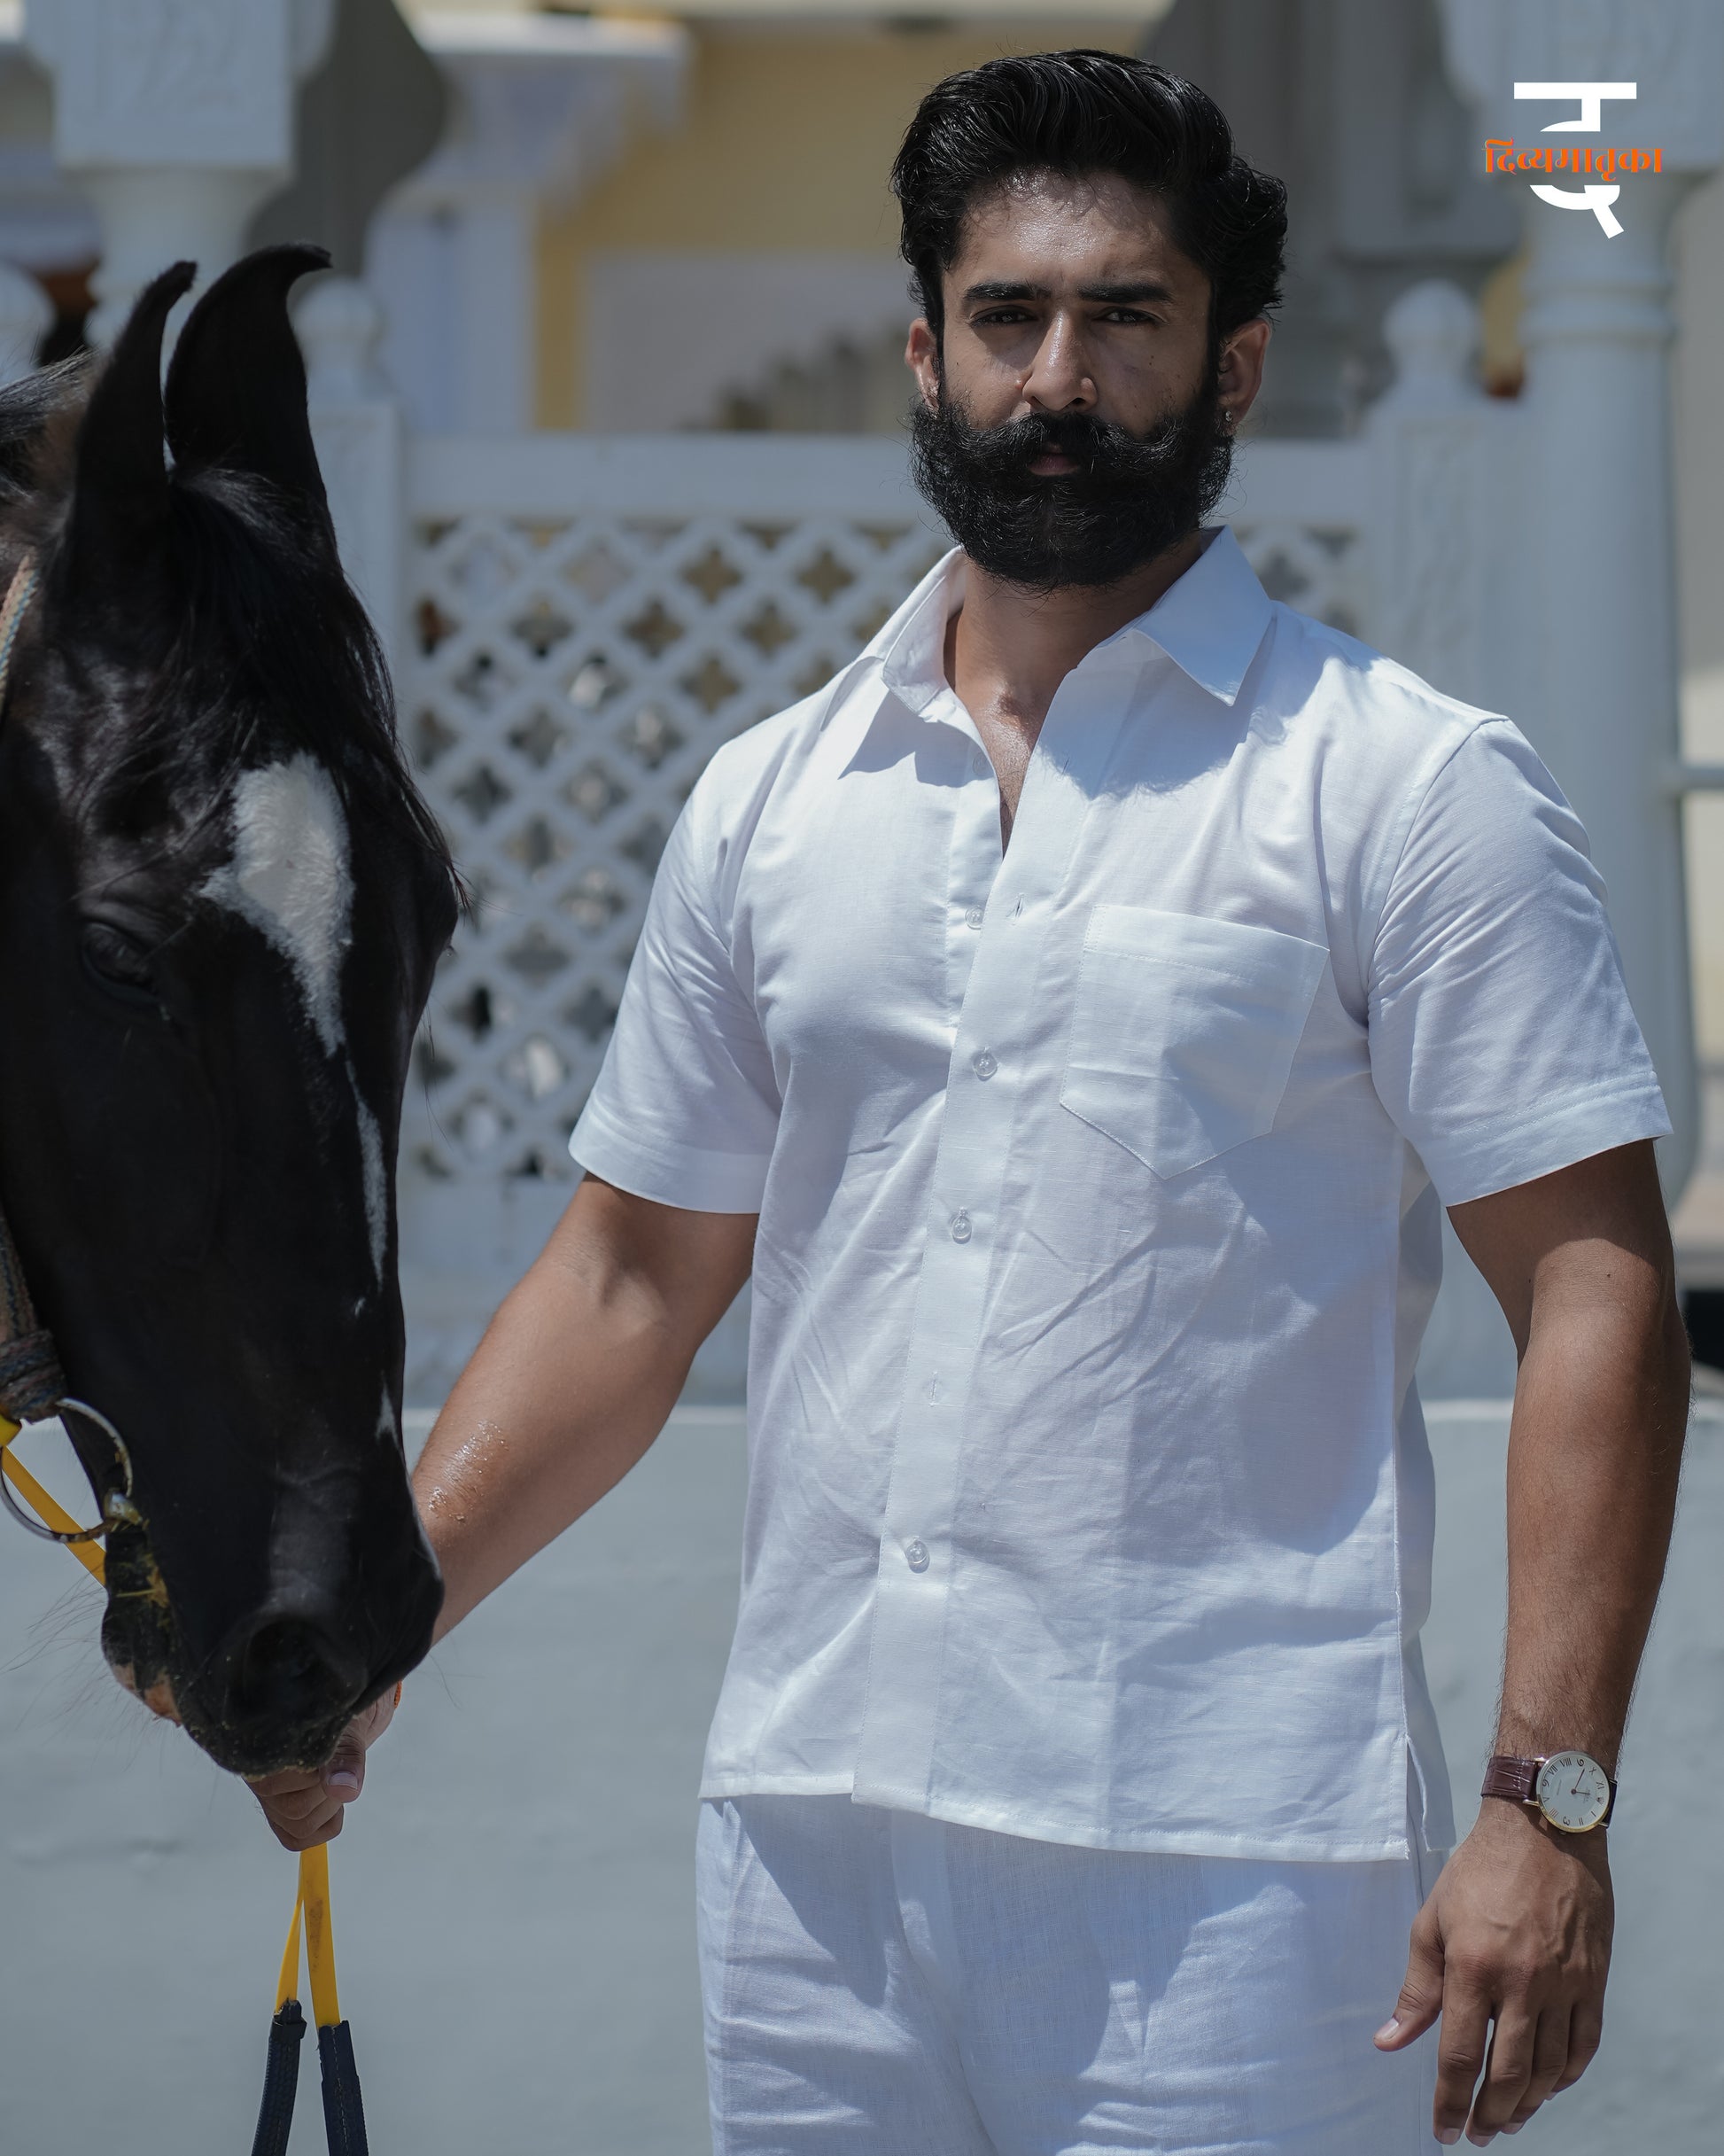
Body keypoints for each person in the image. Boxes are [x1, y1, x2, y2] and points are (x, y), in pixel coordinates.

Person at [254, 50, 1689, 2156]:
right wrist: (375, 1620)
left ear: (1235, 363)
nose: (1060, 378)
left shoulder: (1400, 784)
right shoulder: (773, 798)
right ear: (924, 352)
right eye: (1006, 316)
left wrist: (1545, 1802)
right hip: (811, 1868)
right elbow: (632, 1279)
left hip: (1239, 1880)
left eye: (1127, 318)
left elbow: (1593, 1286)